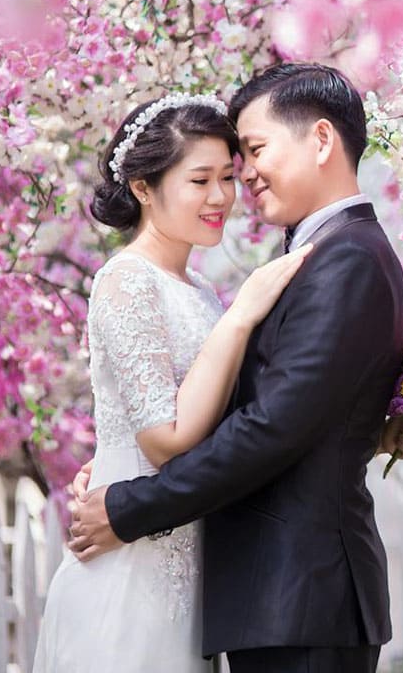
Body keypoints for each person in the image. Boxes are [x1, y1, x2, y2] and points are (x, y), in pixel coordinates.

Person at [68, 63, 403, 673]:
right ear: (145, 187)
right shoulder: (322, 254)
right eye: (212, 174)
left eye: (249, 155)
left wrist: (131, 504)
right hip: (273, 594)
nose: (239, 182)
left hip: (300, 591)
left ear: (321, 140)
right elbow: (253, 404)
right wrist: (124, 455)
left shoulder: (345, 260)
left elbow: (273, 427)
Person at [33, 92, 311, 673]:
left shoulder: (201, 292)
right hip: (129, 563)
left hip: (190, 554)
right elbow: (163, 438)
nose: (220, 198)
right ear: (142, 188)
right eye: (199, 180)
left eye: (228, 178)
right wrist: (242, 315)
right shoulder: (125, 281)